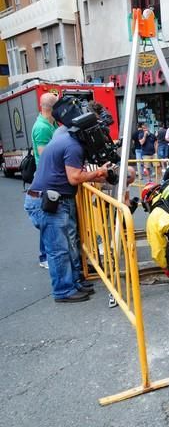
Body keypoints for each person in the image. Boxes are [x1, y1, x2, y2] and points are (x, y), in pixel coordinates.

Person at [24, 97, 109, 303]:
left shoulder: (65, 136)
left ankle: (73, 283)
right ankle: (63, 291)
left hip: (53, 198)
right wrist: (98, 172)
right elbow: (74, 177)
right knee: (58, 249)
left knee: (67, 245)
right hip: (48, 201)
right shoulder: (73, 146)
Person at [31, 92, 59, 269]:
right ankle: (45, 257)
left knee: (49, 219)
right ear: (52, 108)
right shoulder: (42, 127)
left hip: (50, 176)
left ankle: (46, 255)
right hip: (46, 179)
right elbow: (43, 154)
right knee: (48, 218)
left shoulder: (52, 123)